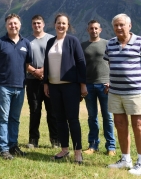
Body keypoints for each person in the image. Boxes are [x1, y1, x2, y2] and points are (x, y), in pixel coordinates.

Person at [105, 14, 141, 176]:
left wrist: (138, 82)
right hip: (115, 92)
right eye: (116, 25)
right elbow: (111, 64)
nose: (119, 28)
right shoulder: (110, 44)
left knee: (138, 126)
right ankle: (125, 159)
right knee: (119, 125)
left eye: (122, 25)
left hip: (136, 92)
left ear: (129, 26)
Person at [43, 13, 87, 164]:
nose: (61, 26)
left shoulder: (72, 41)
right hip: (54, 86)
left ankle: (78, 152)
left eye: (64, 23)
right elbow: (46, 63)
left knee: (73, 120)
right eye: (58, 23)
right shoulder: (50, 42)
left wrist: (82, 84)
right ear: (54, 24)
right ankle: (64, 149)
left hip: (70, 87)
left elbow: (81, 63)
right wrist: (46, 83)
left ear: (68, 26)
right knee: (59, 120)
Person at [0, 13, 32, 160]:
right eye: (10, 23)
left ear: (20, 25)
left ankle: (13, 145)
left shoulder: (26, 43)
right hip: (3, 87)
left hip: (20, 86)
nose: (13, 26)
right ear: (6, 25)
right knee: (3, 118)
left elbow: (27, 64)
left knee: (15, 118)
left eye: (15, 23)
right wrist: (0, 77)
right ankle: (3, 148)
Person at [81, 20, 116, 156]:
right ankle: (93, 145)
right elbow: (80, 67)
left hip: (105, 85)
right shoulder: (83, 46)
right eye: (91, 28)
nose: (94, 30)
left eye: (96, 28)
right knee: (92, 117)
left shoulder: (108, 44)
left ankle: (111, 147)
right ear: (87, 30)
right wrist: (82, 85)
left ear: (100, 30)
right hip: (89, 85)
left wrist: (111, 81)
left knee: (108, 117)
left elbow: (114, 63)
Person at [25, 15, 58, 149]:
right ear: (31, 25)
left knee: (52, 111)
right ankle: (33, 140)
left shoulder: (51, 39)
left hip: (49, 80)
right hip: (32, 81)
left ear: (43, 24)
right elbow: (24, 61)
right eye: (34, 23)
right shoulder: (27, 41)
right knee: (34, 110)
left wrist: (44, 70)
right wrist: (34, 71)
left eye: (39, 23)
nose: (37, 25)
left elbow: (55, 58)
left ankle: (55, 140)